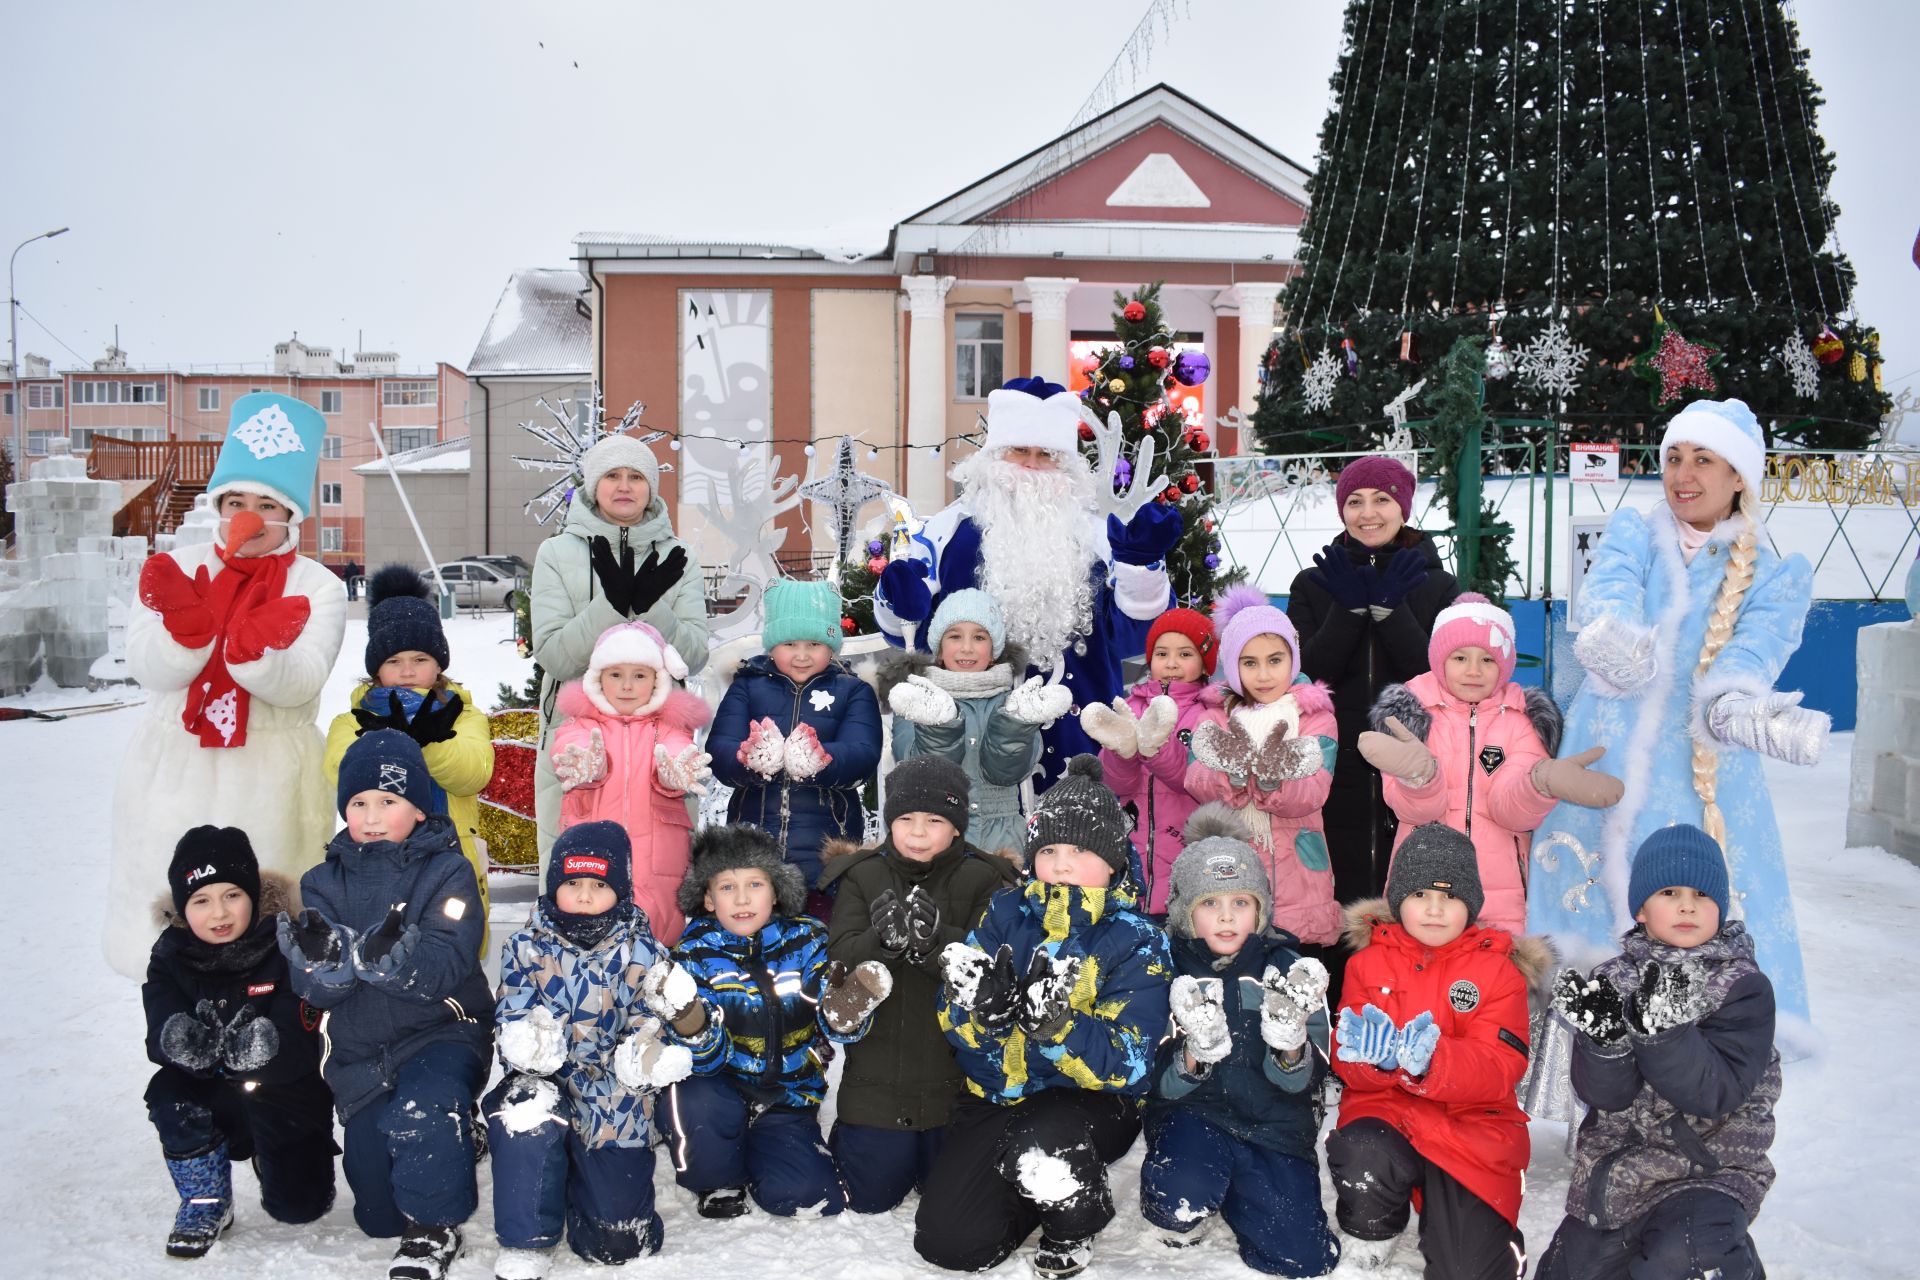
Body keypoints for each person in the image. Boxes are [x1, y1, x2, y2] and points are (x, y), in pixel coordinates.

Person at [1530, 399, 1826, 1039]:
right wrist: (1617, 646)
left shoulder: (1775, 575)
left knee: (1685, 895)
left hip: (1703, 778)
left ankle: (1696, 1046)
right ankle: (1575, 1051)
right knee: (1582, 904)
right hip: (1603, 755)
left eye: (1702, 459)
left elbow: (1753, 653)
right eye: (1672, 458)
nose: (1682, 474)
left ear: (1739, 476)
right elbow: (1609, 597)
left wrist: (1740, 707)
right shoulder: (1633, 532)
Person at [109, 391, 347, 978]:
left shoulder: (317, 585)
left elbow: (301, 682)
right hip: (176, 766)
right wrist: (187, 636)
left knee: (267, 930)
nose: (249, 515)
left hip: (270, 772)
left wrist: (253, 655)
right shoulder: (178, 565)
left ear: (292, 514)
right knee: (175, 929)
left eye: (268, 504)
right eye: (236, 500)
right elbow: (146, 663)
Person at [915, 756, 1172, 1279]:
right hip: (998, 1093)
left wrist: (1059, 1028)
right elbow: (952, 1017)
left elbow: (1132, 1062)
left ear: (1112, 861)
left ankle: (1073, 1221)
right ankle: (1027, 1188)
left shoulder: (1137, 939)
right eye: (1049, 850)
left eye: (1079, 850)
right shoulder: (1005, 912)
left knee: (1045, 1146)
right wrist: (980, 1013)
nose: (1062, 863)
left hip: (1086, 1102)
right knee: (951, 1246)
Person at [873, 376, 1181, 787]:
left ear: (1067, 464)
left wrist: (1140, 569)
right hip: (971, 739)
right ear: (994, 455)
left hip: (1085, 736)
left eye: (1047, 454)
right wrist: (899, 603)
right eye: (1020, 451)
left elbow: (1137, 637)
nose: (1033, 465)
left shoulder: (1096, 538)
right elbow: (906, 635)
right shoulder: (946, 532)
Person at [279, 730, 494, 1280]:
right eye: (358, 803)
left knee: (420, 1114)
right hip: (361, 1049)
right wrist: (321, 969)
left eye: (388, 801)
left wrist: (397, 964)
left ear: (419, 809)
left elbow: (449, 959)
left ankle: (435, 1229)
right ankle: (449, 1145)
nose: (371, 815)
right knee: (376, 1214)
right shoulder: (320, 883)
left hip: (442, 1032)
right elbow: (318, 991)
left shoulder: (447, 872)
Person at [1537, 824, 1780, 1280]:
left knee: (1685, 1256)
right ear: (1642, 910)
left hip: (1708, 1171)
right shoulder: (1613, 979)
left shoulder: (1742, 987)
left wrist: (1664, 1033)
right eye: (1670, 891)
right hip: (1624, 1173)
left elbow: (1715, 1093)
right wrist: (1605, 1042)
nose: (1687, 905)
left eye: (1702, 895)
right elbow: (1605, 1098)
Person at [1326, 824, 1549, 1278]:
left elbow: (1501, 1066)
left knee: (1469, 1269)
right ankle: (1375, 1228)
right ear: (1398, 900)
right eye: (1421, 894)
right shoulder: (1366, 963)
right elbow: (1347, 1057)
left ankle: (1456, 1219)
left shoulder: (1499, 973)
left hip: (1469, 1127)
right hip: (1389, 1112)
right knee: (1361, 1146)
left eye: (1449, 897)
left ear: (1470, 903)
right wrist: (1376, 1062)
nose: (1433, 909)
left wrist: (1433, 1061)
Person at [486, 822, 697, 1279]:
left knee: (618, 1243)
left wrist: (642, 1054)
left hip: (612, 1089)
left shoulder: (644, 952)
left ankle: (585, 1195)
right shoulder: (525, 948)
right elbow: (513, 1012)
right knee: (526, 1116)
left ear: (618, 890)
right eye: (572, 883)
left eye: (598, 884)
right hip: (546, 1080)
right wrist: (531, 1045)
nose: (584, 896)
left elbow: (650, 1019)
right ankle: (526, 1239)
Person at [1141, 805, 1339, 1277]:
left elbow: (1308, 1077)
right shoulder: (1165, 969)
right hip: (1194, 1117)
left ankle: (1246, 1188)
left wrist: (1290, 1047)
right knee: (1179, 1201)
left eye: (1241, 903)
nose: (1226, 918)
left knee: (1304, 1260)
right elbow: (1152, 1078)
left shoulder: (1288, 969)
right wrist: (1192, 1056)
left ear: (1261, 909)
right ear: (1186, 912)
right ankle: (1207, 1186)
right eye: (1210, 904)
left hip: (1274, 1125)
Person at [819, 755, 1021, 1214]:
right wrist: (880, 942)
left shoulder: (985, 877)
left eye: (934, 820)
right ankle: (854, 1136)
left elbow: (994, 962)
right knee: (869, 1197)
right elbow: (840, 955)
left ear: (956, 827)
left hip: (955, 1086)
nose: (917, 832)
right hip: (875, 1082)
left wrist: (937, 944)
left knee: (947, 1193)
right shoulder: (862, 874)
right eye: (905, 819)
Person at [661, 823, 890, 1220]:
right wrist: (695, 1028)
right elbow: (703, 1062)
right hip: (719, 1088)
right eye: (727, 887)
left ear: (776, 890)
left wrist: (845, 1013)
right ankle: (718, 1178)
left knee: (810, 1198)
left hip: (786, 1097)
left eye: (756, 884)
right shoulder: (692, 954)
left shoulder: (806, 941)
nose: (743, 898)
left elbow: (828, 1013)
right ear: (709, 899)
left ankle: (763, 1147)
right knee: (694, 1097)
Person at [1359, 593, 1624, 935]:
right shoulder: (1411, 717)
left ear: (1506, 665)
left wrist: (1540, 782)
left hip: (1501, 898)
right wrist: (1420, 776)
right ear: (1440, 659)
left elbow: (1510, 810)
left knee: (1498, 984)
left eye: (1487, 659)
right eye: (1460, 657)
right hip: (1423, 892)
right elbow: (1414, 812)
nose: (1473, 670)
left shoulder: (1522, 721)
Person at [142, 826, 335, 1259]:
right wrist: (182, 1041)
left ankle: (276, 1159)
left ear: (252, 893)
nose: (219, 913)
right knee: (170, 1097)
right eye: (201, 900)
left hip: (282, 1089)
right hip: (210, 1085)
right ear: (182, 907)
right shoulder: (170, 955)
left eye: (232, 895)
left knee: (300, 1208)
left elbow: (303, 1039)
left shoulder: (285, 942)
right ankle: (205, 1202)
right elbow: (159, 1029)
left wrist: (266, 1045)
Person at [1286, 455, 1459, 909]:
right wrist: (1345, 611)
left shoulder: (1439, 587)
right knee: (1333, 891)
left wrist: (1390, 611)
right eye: (1355, 501)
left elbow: (1440, 676)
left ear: (1403, 508)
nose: (1367, 513)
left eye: (1382, 500)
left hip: (1414, 762)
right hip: (1333, 763)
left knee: (1410, 887)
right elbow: (1305, 675)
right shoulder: (1312, 585)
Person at [531, 432, 708, 867]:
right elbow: (554, 654)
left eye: (636, 476)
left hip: (661, 738)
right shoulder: (556, 553)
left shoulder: (678, 556)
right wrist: (611, 606)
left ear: (651, 488)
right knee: (576, 867)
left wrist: (652, 607)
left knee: (660, 867)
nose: (624, 486)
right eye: (612, 475)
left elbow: (695, 653)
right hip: (578, 734)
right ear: (594, 485)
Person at [325, 564, 495, 936]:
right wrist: (393, 743)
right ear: (376, 669)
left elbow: (473, 772)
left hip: (452, 856)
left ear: (438, 664)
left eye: (419, 660)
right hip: (374, 862)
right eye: (393, 661)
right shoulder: (352, 721)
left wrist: (427, 743)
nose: (407, 671)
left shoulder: (463, 715)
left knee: (454, 944)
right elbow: (343, 773)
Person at [707, 578, 882, 914]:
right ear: (772, 644)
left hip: (828, 852)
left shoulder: (852, 691)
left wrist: (823, 761)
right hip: (753, 850)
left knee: (822, 935)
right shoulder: (747, 687)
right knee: (757, 934)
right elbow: (721, 747)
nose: (802, 655)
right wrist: (748, 759)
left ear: (831, 646)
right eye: (789, 644)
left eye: (814, 644)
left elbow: (863, 753)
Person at [1183, 587, 1343, 949]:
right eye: (1249, 662)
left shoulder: (1315, 719)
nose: (1264, 674)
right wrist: (1233, 775)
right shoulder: (1213, 716)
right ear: (1232, 665)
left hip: (1299, 879)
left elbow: (1314, 789)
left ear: (1293, 659)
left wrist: (1272, 780)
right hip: (1231, 879)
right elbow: (1196, 779)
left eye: (1275, 660)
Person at [548, 620, 712, 944]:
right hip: (591, 860)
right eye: (615, 675)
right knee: (591, 939)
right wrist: (585, 763)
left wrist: (675, 770)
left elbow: (676, 749)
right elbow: (570, 747)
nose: (626, 686)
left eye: (639, 675)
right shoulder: (580, 724)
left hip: (657, 859)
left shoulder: (667, 727)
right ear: (597, 678)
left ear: (657, 680)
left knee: (654, 939)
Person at [881, 588, 1048, 855]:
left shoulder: (1013, 703)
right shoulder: (916, 700)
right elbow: (918, 769)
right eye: (955, 636)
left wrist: (1014, 726)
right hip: (935, 841)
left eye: (979, 637)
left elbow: (1008, 772)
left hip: (1002, 840)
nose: (967, 648)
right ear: (939, 648)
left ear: (994, 650)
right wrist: (939, 725)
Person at [1079, 605, 1221, 915]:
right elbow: (1118, 784)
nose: (1172, 663)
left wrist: (1156, 748)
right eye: (1161, 654)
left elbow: (1194, 781)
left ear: (1205, 663)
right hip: (1135, 845)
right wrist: (1123, 751)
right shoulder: (1131, 707)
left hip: (1186, 845)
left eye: (1185, 654)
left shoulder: (1210, 714)